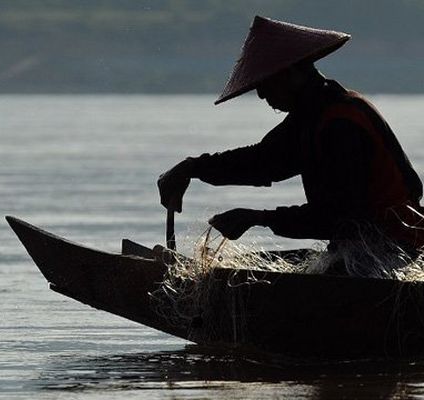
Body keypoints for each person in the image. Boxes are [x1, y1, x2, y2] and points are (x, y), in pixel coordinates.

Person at [158, 16, 424, 258]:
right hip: (358, 249)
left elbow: (339, 217)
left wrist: (259, 218)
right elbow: (262, 162)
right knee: (248, 267)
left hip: (394, 252)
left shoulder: (341, 123)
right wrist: (193, 167)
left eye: (265, 85)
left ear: (291, 74)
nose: (262, 96)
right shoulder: (311, 117)